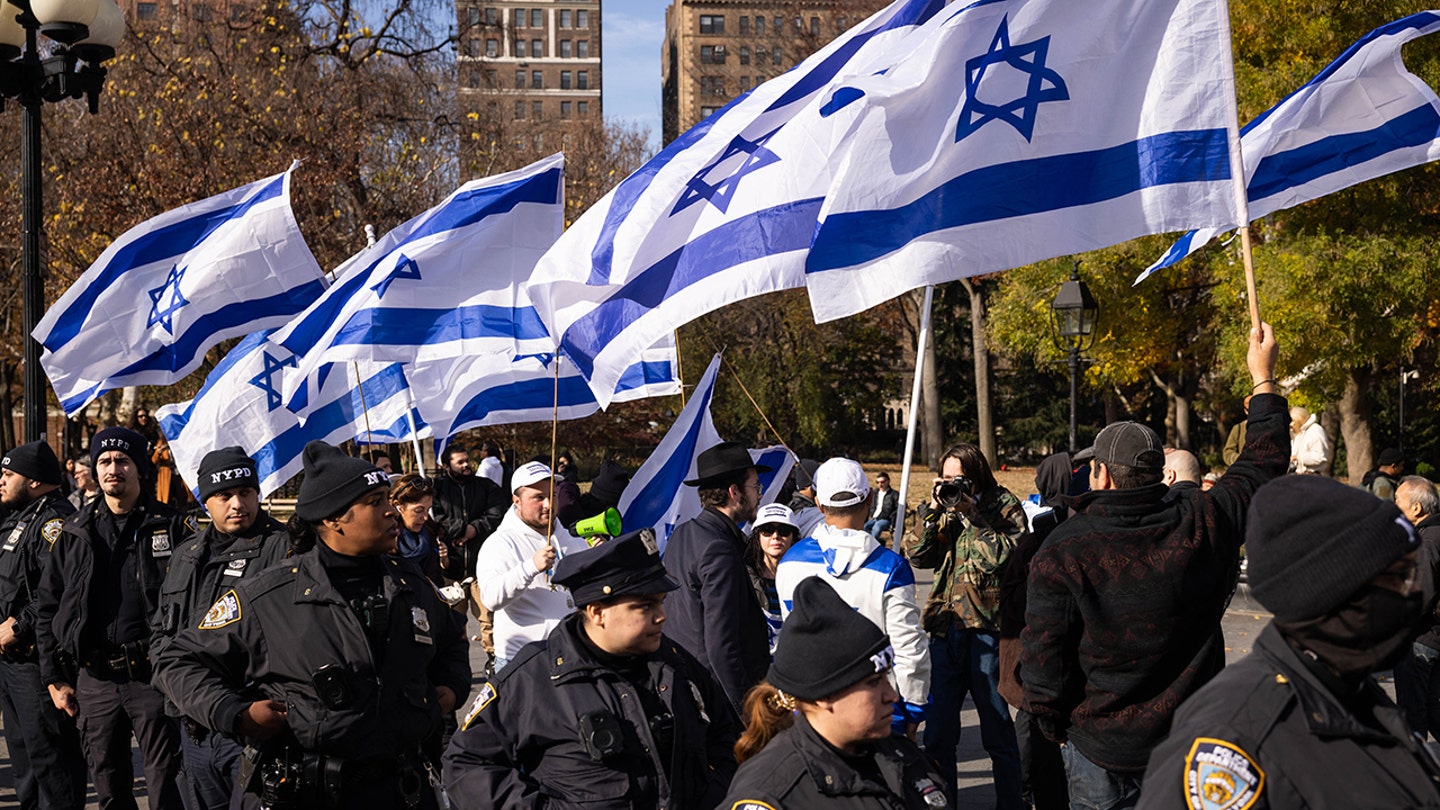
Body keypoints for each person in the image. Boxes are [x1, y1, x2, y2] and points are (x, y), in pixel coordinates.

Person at [1022, 323, 1289, 810]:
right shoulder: (1201, 520)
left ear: (1100, 472)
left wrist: (1050, 722)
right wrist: (1262, 379)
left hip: (1105, 745)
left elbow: (1043, 657)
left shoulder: (1065, 547)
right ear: (1157, 473)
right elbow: (1262, 465)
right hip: (1179, 741)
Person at [152, 441, 470, 810]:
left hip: (401, 788)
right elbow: (177, 660)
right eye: (376, 502)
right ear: (334, 518)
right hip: (309, 792)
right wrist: (235, 714)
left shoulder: (410, 584)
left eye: (389, 500)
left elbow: (452, 643)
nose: (392, 513)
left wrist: (452, 688)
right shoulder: (269, 595)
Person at [1138, 476, 1440, 808]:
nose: (1412, 595)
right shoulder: (1233, 734)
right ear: (1332, 595)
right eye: (1396, 580)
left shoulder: (1354, 696)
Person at [444, 528, 739, 808]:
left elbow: (728, 737)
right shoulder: (533, 678)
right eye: (645, 606)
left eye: (661, 603)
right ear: (598, 612)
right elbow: (466, 764)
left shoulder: (677, 663)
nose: (661, 616)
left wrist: (715, 793)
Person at [35, 426, 193, 810]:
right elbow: (47, 607)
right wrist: (54, 678)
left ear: (139, 468)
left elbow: (194, 604)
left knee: (166, 786)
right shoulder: (75, 531)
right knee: (108, 787)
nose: (112, 468)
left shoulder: (173, 527)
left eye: (122, 460)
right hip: (95, 680)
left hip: (155, 678)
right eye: (104, 461)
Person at [721, 577, 950, 809]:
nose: (891, 695)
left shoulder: (901, 755)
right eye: (873, 682)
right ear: (823, 696)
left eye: (885, 678)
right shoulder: (773, 792)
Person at [149, 446, 291, 810]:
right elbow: (162, 634)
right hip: (194, 727)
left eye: (245, 492)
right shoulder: (187, 553)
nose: (237, 504)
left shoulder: (285, 550)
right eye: (224, 495)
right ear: (205, 501)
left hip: (253, 730)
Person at [904, 442, 1026, 808]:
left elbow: (1006, 557)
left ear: (976, 475)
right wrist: (932, 513)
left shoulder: (1002, 505)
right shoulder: (940, 507)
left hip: (987, 631)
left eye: (960, 478)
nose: (953, 485)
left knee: (998, 734)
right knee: (939, 735)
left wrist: (972, 515)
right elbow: (918, 555)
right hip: (946, 629)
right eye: (947, 477)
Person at [776, 458, 929, 736]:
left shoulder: (789, 562)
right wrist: (914, 709)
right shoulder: (891, 568)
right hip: (879, 711)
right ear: (870, 497)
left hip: (812, 711)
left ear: (819, 505)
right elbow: (909, 649)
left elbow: (791, 640)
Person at [0, 441, 87, 810]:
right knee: (26, 767)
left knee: (53, 766)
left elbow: (59, 590)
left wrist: (19, 625)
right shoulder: (22, 515)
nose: (0, 482)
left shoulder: (54, 522)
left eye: (8, 475)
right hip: (11, 662)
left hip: (38, 663)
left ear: (34, 480)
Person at [663, 441, 772, 718]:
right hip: (719, 699)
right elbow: (721, 645)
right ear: (735, 492)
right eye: (755, 486)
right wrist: (748, 713)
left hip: (690, 686)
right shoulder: (718, 548)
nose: (760, 494)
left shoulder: (684, 533)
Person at [997, 452, 1076, 810]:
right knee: (1036, 749)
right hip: (1041, 666)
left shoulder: (1048, 533)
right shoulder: (1048, 535)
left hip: (1039, 668)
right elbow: (1013, 601)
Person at [474, 461, 591, 672]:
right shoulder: (499, 543)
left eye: (553, 495)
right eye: (538, 497)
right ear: (516, 501)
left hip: (571, 655)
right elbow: (491, 599)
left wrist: (598, 558)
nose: (548, 504)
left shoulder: (571, 540)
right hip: (522, 662)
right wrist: (530, 568)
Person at [431, 444, 506, 655]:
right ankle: (456, 663)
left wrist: (475, 529)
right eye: (460, 462)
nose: (466, 465)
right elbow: (435, 519)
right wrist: (462, 530)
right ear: (446, 466)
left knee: (488, 617)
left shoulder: (486, 486)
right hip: (450, 569)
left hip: (480, 568)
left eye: (467, 461)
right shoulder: (437, 489)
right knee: (453, 623)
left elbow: (497, 514)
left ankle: (494, 658)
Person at [1393, 475, 1440, 740]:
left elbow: (1420, 593)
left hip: (1421, 638)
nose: (1393, 505)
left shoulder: (1428, 541)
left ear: (1416, 508)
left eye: (1397, 500)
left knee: (1413, 714)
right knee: (1432, 708)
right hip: (1433, 637)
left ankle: (1413, 772)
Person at [745, 503, 798, 655]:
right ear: (757, 535)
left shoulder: (803, 576)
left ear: (793, 536)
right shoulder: (744, 576)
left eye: (784, 531)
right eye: (767, 530)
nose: (776, 536)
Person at [389, 474, 452, 586]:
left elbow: (438, 576)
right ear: (398, 506)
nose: (425, 517)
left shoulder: (432, 531)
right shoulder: (383, 541)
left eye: (428, 510)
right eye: (418, 510)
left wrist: (444, 561)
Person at [1288, 405, 1330, 474]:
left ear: (1297, 420)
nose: (1291, 429)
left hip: (1310, 476)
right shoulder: (1299, 434)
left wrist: (1298, 457)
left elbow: (1320, 457)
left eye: (1291, 426)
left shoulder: (1315, 431)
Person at [863, 471, 899, 540]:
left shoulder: (894, 494)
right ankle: (875, 542)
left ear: (888, 481)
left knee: (877, 527)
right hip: (873, 518)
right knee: (864, 527)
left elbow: (897, 509)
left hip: (885, 519)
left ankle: (872, 546)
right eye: (877, 482)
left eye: (882, 482)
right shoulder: (874, 493)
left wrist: (892, 518)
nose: (880, 484)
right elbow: (869, 505)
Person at [1221, 395, 1251, 466]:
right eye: (1249, 410)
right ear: (1245, 411)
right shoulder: (1238, 428)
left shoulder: (1269, 426)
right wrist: (1239, 459)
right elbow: (1227, 453)